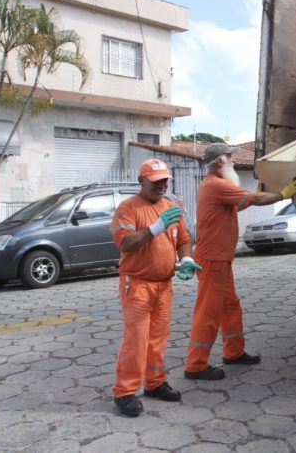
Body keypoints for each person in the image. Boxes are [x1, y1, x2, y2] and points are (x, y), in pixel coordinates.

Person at [184, 143, 296, 380]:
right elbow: (257, 200)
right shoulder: (217, 185)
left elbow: (239, 204)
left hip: (220, 258)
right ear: (219, 161)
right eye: (229, 157)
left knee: (230, 307)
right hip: (212, 259)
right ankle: (195, 366)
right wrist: (283, 194)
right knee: (208, 312)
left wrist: (257, 194)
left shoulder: (214, 186)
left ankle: (234, 352)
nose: (232, 160)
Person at [109, 158, 201, 417]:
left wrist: (187, 260)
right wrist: (155, 227)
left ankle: (155, 383)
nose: (161, 185)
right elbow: (125, 243)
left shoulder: (171, 208)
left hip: (163, 286)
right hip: (137, 284)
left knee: (158, 339)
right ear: (142, 181)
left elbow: (183, 240)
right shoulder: (128, 208)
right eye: (156, 181)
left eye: (164, 181)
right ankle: (124, 391)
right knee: (136, 340)